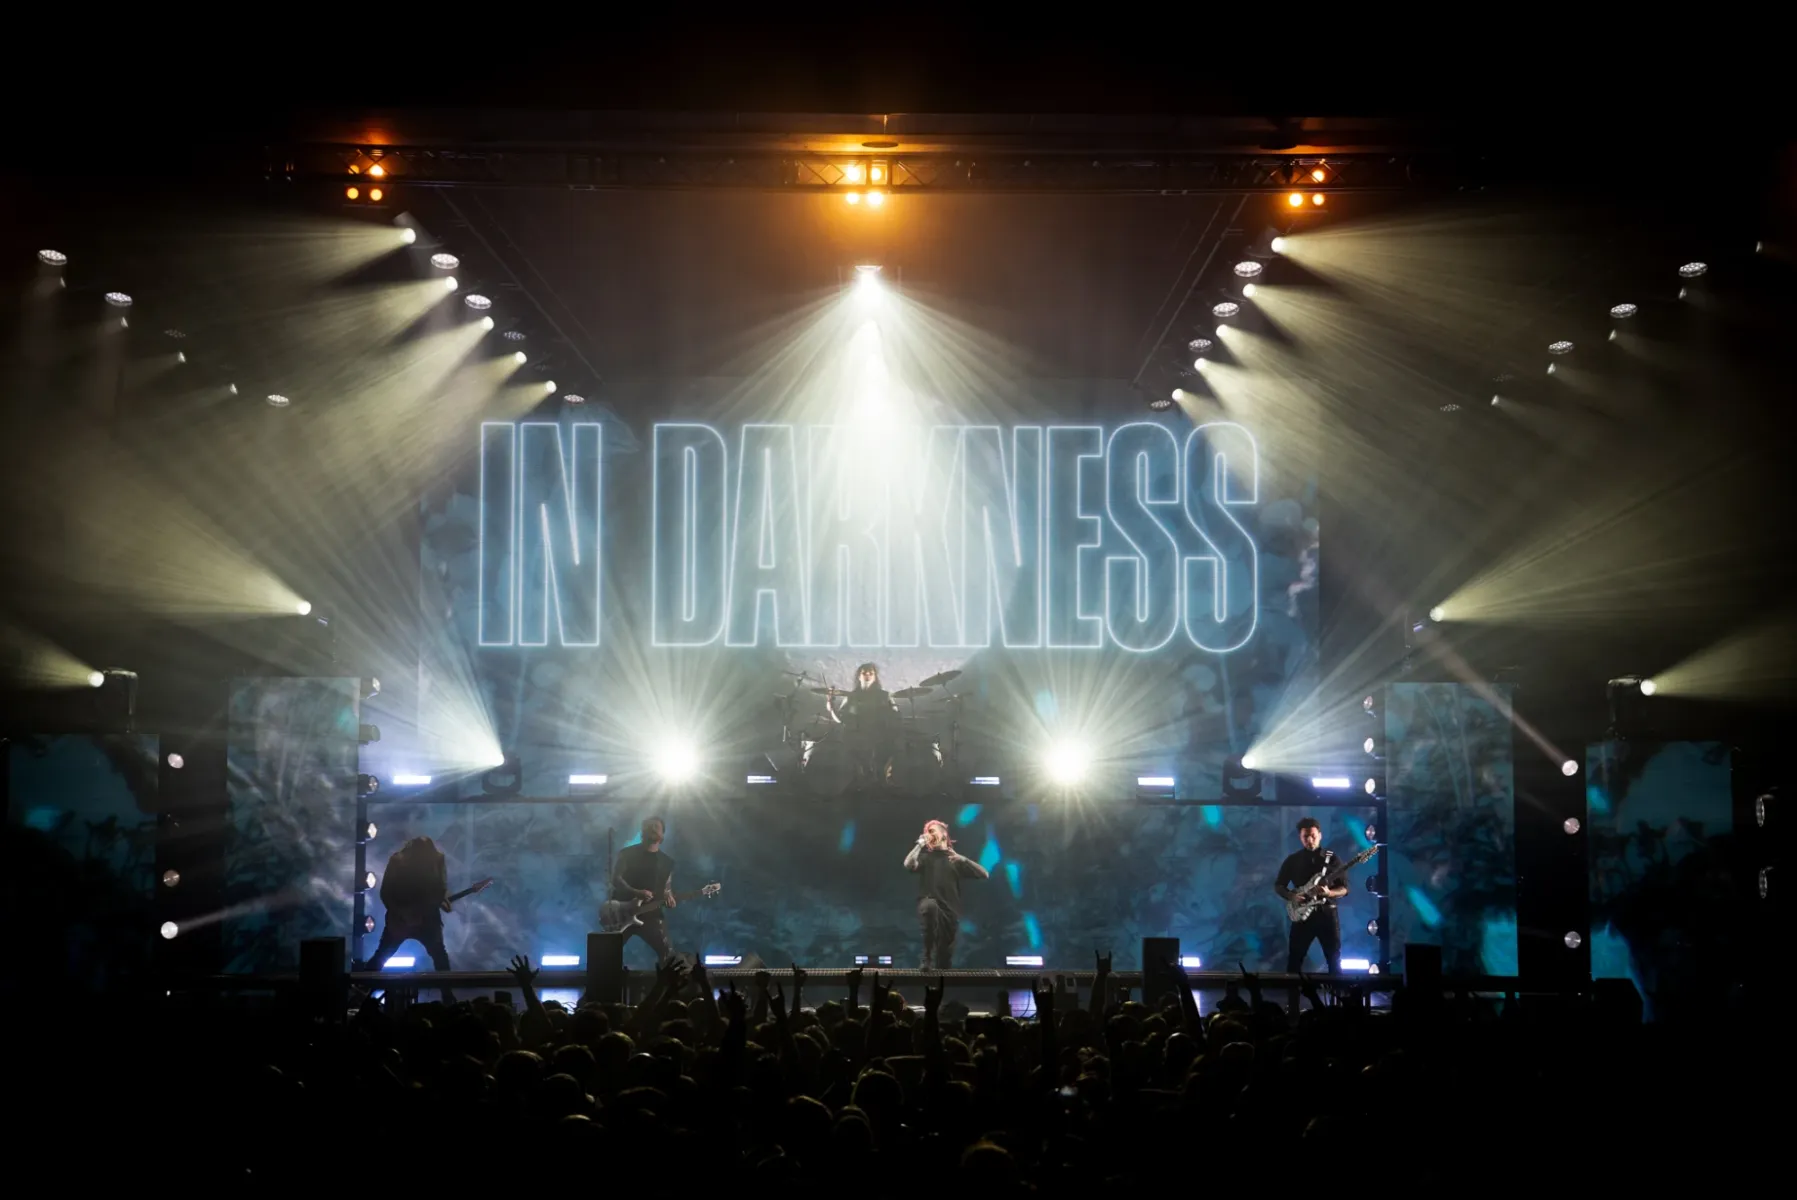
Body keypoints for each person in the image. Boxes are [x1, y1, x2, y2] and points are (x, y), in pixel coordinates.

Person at [363, 836, 458, 995]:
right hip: (403, 919)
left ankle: (447, 995)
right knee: (438, 956)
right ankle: (360, 988)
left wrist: (442, 900)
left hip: (421, 919)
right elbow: (386, 892)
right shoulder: (399, 862)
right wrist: (402, 913)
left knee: (438, 956)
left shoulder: (435, 861)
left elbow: (440, 889)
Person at [903, 819, 989, 969]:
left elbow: (984, 874)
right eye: (926, 832)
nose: (928, 835)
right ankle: (927, 957)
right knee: (930, 906)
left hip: (950, 911)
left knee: (944, 958)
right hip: (929, 903)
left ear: (943, 834)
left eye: (932, 831)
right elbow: (908, 864)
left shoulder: (954, 859)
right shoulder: (925, 857)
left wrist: (964, 860)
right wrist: (920, 844)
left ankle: (941, 974)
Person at [1273, 817, 1345, 974]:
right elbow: (1279, 885)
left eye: (1313, 835)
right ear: (1300, 837)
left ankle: (1337, 990)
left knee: (1334, 959)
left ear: (1320, 835)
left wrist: (1329, 893)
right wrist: (1292, 896)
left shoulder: (1332, 859)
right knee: (1295, 959)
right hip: (1302, 916)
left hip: (1327, 914)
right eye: (1305, 836)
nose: (1310, 840)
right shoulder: (1293, 860)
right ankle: (1294, 990)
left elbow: (1345, 888)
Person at [608, 817, 678, 964]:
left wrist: (669, 896)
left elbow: (667, 887)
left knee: (668, 955)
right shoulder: (627, 854)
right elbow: (616, 879)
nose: (652, 828)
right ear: (642, 831)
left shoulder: (667, 862)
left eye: (656, 826)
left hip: (651, 914)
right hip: (623, 912)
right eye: (649, 826)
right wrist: (636, 892)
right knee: (608, 952)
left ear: (663, 834)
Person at [825, 662, 900, 790]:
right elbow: (841, 720)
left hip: (880, 739)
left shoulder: (885, 696)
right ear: (859, 676)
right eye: (864, 673)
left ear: (875, 677)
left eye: (871, 673)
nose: (867, 675)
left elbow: (895, 716)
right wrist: (831, 708)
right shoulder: (851, 697)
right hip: (857, 739)